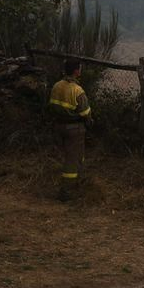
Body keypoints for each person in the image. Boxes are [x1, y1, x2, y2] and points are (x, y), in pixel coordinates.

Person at [48, 58, 92, 200]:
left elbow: (51, 106)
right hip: (74, 130)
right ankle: (67, 191)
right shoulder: (77, 91)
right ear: (76, 71)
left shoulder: (56, 86)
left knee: (63, 156)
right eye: (79, 68)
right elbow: (86, 113)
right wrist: (90, 122)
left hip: (58, 126)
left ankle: (62, 184)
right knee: (73, 160)